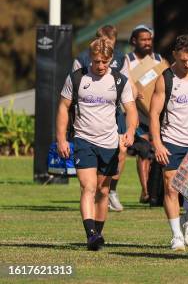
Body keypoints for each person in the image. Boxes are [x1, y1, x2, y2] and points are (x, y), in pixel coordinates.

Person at [56, 38, 137, 250]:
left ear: (111, 59)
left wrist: (129, 131)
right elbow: (64, 107)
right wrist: (62, 139)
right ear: (90, 58)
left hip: (109, 143)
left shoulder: (120, 81)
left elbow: (131, 110)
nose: (100, 66)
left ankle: (98, 234)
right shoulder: (77, 78)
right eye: (96, 61)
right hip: (84, 140)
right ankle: (91, 234)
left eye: (104, 61)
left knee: (103, 190)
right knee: (88, 187)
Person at [149, 35, 188, 251]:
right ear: (175, 55)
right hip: (171, 140)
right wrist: (158, 144)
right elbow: (154, 114)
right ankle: (176, 236)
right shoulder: (165, 79)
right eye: (183, 61)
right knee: (171, 188)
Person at [72, 25, 127, 212]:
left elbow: (128, 83)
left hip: (114, 116)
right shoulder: (80, 61)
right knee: (89, 185)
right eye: (104, 43)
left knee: (120, 154)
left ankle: (111, 190)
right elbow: (73, 89)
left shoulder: (121, 58)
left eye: (110, 45)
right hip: (86, 125)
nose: (102, 63)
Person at [120, 24, 167, 203]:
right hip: (136, 116)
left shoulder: (158, 60)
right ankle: (146, 190)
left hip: (156, 115)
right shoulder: (127, 61)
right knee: (144, 151)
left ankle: (155, 190)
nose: (147, 43)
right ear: (134, 41)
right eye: (143, 40)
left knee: (157, 152)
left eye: (149, 39)